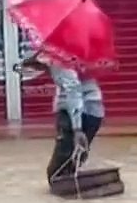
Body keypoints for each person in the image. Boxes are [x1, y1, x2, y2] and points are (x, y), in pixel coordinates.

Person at [25, 54, 105, 183]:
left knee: (57, 174)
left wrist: (77, 129)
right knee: (70, 166)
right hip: (93, 112)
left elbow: (73, 90)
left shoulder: (59, 60)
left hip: (77, 114)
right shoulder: (76, 54)